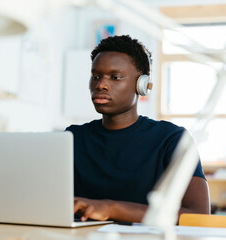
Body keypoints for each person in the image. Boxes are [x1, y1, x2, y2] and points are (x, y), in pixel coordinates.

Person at [65, 35, 210, 223]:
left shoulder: (172, 139)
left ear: (142, 85)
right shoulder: (73, 137)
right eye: (96, 76)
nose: (101, 84)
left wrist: (111, 208)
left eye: (115, 77)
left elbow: (198, 216)